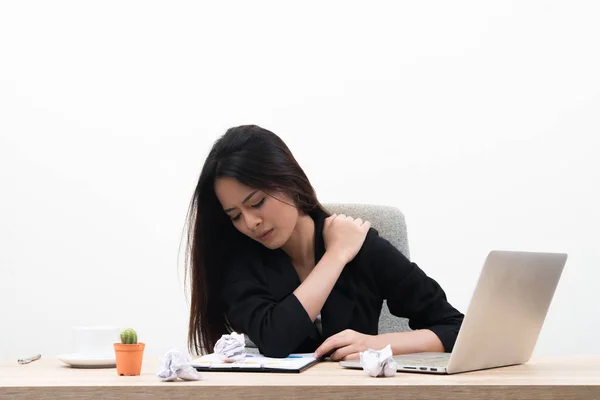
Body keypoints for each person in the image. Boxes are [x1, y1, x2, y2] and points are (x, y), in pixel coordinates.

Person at [185, 125, 464, 360]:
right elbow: (276, 338)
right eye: (235, 216)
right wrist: (336, 256)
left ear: (290, 181)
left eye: (257, 202)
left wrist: (378, 344)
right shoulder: (241, 260)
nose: (250, 223)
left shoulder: (363, 247)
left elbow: (457, 328)